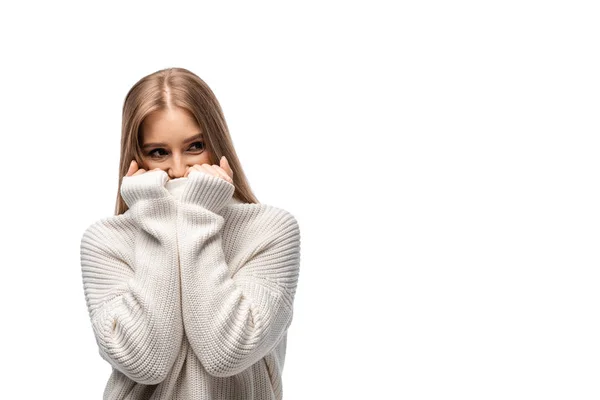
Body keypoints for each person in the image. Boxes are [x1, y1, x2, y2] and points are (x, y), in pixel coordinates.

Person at [79, 67, 301, 400]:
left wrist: (198, 215)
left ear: (217, 144)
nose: (179, 169)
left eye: (195, 146)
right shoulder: (106, 241)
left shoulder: (270, 231)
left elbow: (227, 351)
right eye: (159, 153)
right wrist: (157, 221)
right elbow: (145, 362)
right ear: (135, 158)